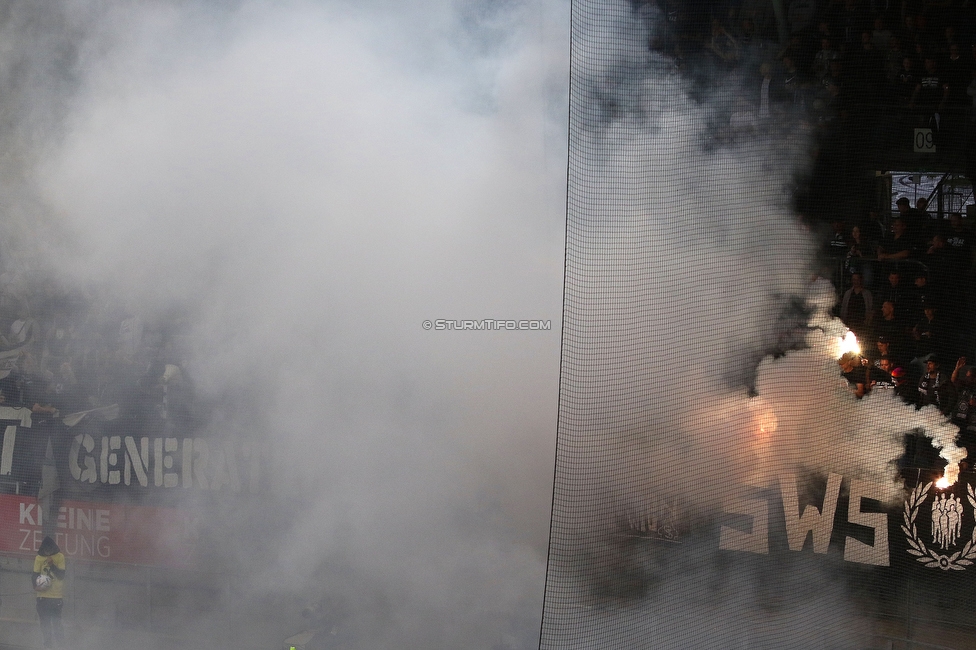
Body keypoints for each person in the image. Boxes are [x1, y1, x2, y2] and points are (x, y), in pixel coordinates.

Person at [32, 536, 65, 648]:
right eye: (46, 550)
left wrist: (52, 565)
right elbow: (34, 575)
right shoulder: (39, 558)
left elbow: (61, 575)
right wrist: (36, 587)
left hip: (56, 597)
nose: (48, 553)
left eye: (49, 550)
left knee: (57, 625)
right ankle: (48, 647)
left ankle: (61, 646)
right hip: (43, 597)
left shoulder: (60, 557)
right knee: (45, 626)